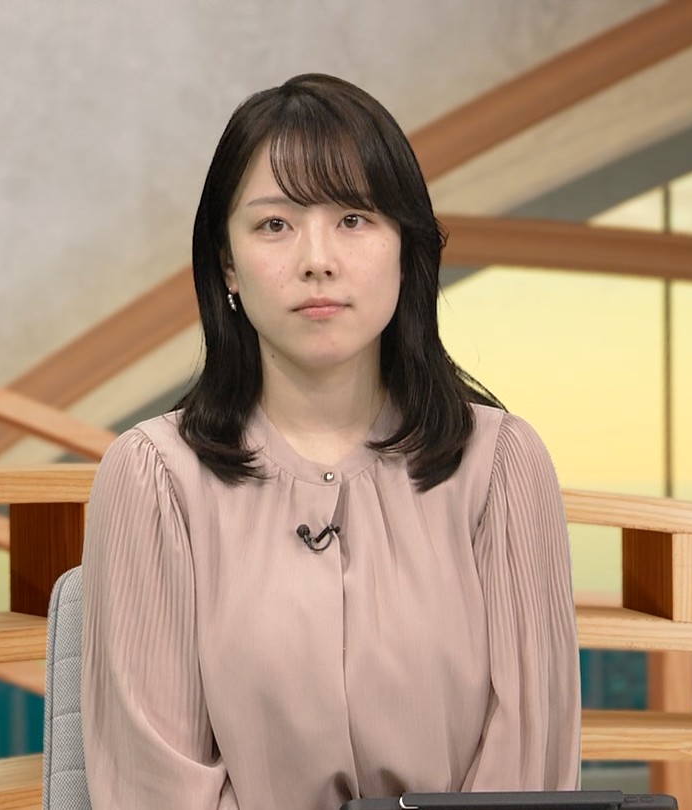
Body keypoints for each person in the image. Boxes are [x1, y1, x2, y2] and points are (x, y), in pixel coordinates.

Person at [81, 73, 580, 809]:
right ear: (226, 265)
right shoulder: (153, 476)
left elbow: (527, 770)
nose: (317, 259)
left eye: (352, 219)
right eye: (274, 226)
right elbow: (154, 789)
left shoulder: (502, 466)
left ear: (406, 249)